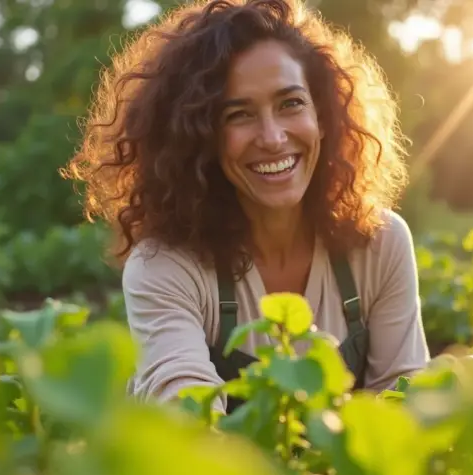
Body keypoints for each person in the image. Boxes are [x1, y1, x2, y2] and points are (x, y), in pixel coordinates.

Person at [63, 0, 430, 414]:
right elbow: (190, 426)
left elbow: (406, 404)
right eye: (238, 115)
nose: (273, 138)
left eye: (290, 103)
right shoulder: (164, 267)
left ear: (323, 117)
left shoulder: (380, 244)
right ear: (200, 137)